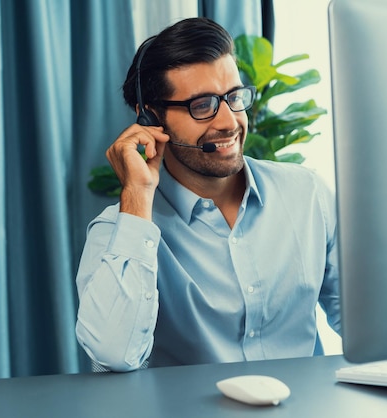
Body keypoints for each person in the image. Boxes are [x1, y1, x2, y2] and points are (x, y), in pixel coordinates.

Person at [75, 17, 340, 372]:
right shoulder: (117, 232)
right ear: (151, 119)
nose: (229, 122)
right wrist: (137, 195)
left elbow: (368, 320)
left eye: (234, 97)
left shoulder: (308, 194)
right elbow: (113, 354)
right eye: (203, 105)